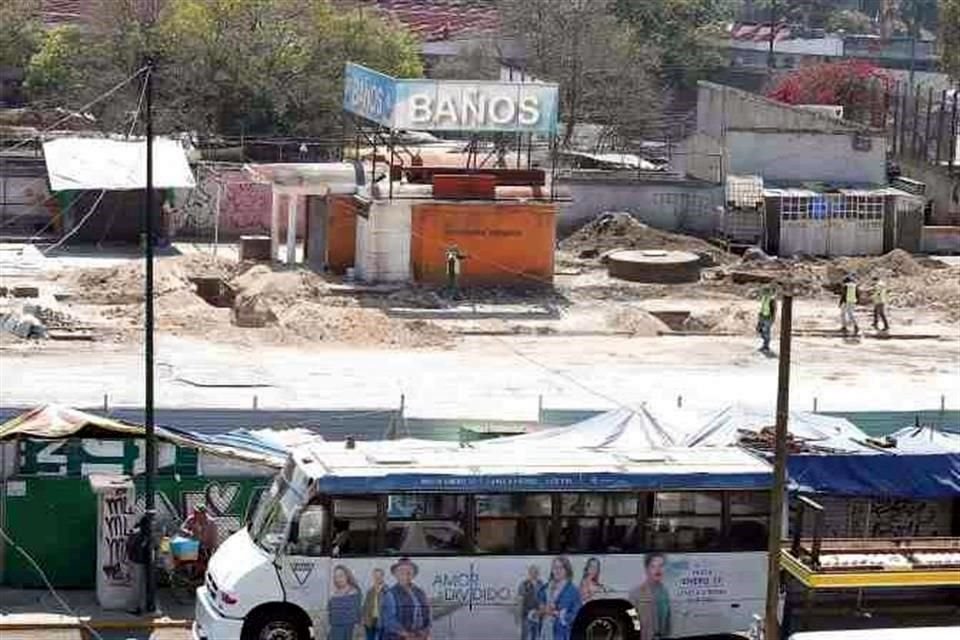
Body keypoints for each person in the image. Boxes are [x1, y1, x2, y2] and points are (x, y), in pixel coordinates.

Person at [381, 557, 431, 640]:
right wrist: (407, 635)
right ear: (395, 574)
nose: (406, 574)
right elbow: (389, 621)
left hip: (420, 636)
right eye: (401, 572)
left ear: (413, 574)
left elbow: (428, 613)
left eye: (409, 572)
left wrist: (425, 631)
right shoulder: (390, 594)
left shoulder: (420, 592)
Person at [629, 553, 671, 640]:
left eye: (661, 566)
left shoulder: (665, 592)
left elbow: (667, 620)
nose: (658, 570)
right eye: (653, 566)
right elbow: (632, 618)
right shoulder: (636, 592)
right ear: (647, 569)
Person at [537, 556, 581, 640]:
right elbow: (537, 608)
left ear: (567, 570)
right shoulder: (544, 588)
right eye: (555, 567)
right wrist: (541, 610)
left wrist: (558, 614)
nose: (557, 570)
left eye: (561, 567)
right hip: (544, 632)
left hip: (562, 634)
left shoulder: (573, 591)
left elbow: (577, 616)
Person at [180, 504, 218, 574]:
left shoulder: (211, 522)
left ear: (203, 513)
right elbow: (182, 528)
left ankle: (202, 572)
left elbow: (214, 537)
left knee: (205, 559)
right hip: (193, 544)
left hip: (206, 546)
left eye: (197, 513)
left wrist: (212, 547)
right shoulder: (191, 519)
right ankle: (189, 572)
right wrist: (189, 532)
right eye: (195, 512)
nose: (195, 514)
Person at [125, 514, 151, 614]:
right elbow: (140, 547)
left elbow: (129, 546)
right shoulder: (141, 534)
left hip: (135, 560)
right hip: (138, 561)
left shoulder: (137, 531)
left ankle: (138, 606)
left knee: (138, 585)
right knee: (137, 586)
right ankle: (134, 607)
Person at [328, 565, 362, 640]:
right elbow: (331, 613)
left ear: (347, 576)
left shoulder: (354, 592)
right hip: (334, 630)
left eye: (341, 576)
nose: (338, 579)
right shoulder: (333, 594)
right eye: (336, 577)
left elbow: (357, 612)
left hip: (348, 630)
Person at [518, 565, 544, 640]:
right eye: (532, 572)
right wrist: (519, 619)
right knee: (525, 637)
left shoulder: (541, 584)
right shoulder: (523, 584)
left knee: (537, 637)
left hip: (538, 616)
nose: (534, 573)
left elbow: (544, 599)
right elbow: (520, 601)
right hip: (526, 616)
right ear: (529, 573)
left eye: (536, 572)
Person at [363, 568, 387, 640]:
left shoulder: (388, 591)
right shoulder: (370, 591)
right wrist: (365, 619)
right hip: (370, 621)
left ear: (382, 577)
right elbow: (365, 606)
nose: (377, 578)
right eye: (375, 576)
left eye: (379, 576)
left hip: (382, 621)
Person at [756, 286, 777, 353]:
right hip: (763, 316)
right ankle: (765, 342)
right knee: (759, 329)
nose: (763, 292)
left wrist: (772, 318)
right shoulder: (764, 298)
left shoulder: (771, 299)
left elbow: (774, 309)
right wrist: (760, 313)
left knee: (766, 331)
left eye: (765, 291)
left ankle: (766, 346)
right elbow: (763, 307)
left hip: (768, 317)